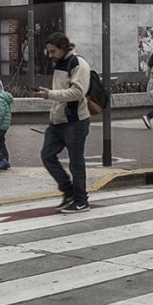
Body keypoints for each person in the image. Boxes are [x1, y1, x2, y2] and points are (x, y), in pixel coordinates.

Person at [35, 33, 92, 213]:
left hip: (75, 121)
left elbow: (78, 92)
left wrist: (50, 94)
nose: (50, 55)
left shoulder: (78, 64)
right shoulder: (60, 63)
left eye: (53, 51)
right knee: (47, 154)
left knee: (76, 163)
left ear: (63, 47)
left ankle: (81, 200)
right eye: (48, 51)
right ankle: (68, 192)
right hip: (58, 120)